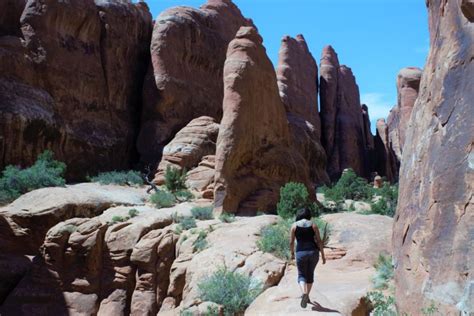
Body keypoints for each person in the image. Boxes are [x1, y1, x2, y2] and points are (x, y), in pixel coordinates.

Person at [290, 208, 326, 308]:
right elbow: (319, 241)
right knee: (310, 274)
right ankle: (307, 296)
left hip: (300, 252)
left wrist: (292, 253)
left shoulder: (294, 225)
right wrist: (323, 255)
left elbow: (291, 242)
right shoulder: (313, 225)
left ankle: (304, 293)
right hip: (313, 252)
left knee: (302, 274)